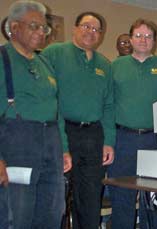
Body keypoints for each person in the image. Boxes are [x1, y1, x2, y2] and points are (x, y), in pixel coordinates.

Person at [0, 1, 72, 228]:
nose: (41, 32)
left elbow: (56, 109)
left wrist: (64, 149)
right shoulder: (3, 59)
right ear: (14, 27)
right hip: (17, 145)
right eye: (34, 26)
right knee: (17, 215)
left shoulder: (45, 63)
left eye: (44, 28)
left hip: (51, 145)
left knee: (52, 212)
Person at [41, 11, 115, 229]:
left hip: (94, 136)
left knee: (91, 199)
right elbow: (48, 98)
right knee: (57, 200)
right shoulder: (54, 53)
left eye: (96, 29)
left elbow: (109, 106)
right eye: (86, 26)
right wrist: (62, 146)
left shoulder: (105, 64)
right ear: (75, 28)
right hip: (62, 131)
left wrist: (108, 141)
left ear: (101, 35)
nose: (90, 32)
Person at [109, 18, 157, 229]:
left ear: (155, 41)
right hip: (123, 140)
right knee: (122, 197)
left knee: (155, 200)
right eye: (138, 35)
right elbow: (108, 104)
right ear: (131, 39)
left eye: (148, 36)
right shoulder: (116, 66)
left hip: (155, 140)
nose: (143, 40)